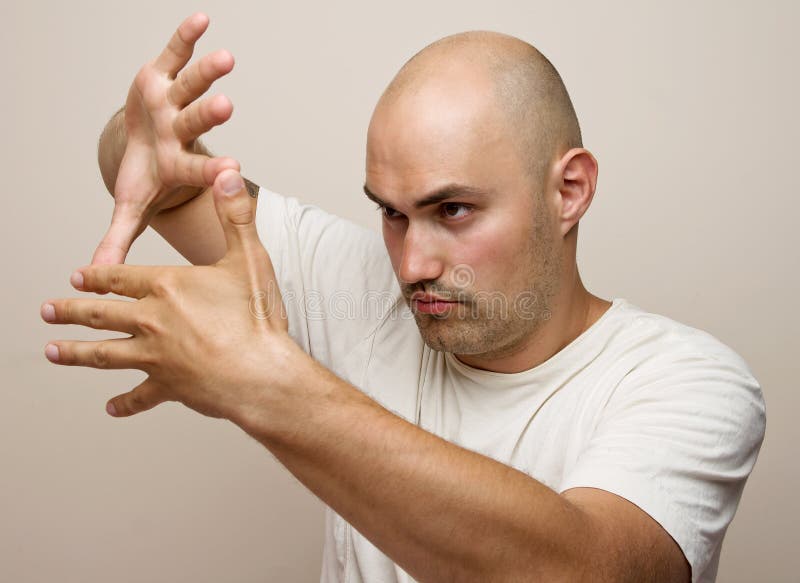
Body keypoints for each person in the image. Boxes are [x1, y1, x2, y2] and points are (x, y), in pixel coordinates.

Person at [40, 12, 765, 583]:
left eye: (453, 210)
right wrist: (132, 140)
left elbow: (587, 570)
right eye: (391, 213)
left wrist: (263, 383)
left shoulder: (686, 381)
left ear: (569, 190)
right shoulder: (359, 288)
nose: (412, 265)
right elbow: (165, 181)